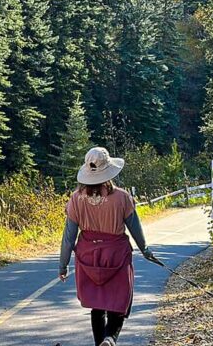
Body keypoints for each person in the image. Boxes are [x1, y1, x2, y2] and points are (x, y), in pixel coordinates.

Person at [58, 147, 160, 346]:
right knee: (118, 301)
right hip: (116, 255)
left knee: (97, 305)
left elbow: (68, 237)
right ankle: (110, 338)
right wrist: (145, 251)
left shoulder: (76, 199)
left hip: (88, 256)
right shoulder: (122, 197)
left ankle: (101, 343)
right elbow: (135, 228)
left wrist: (63, 265)